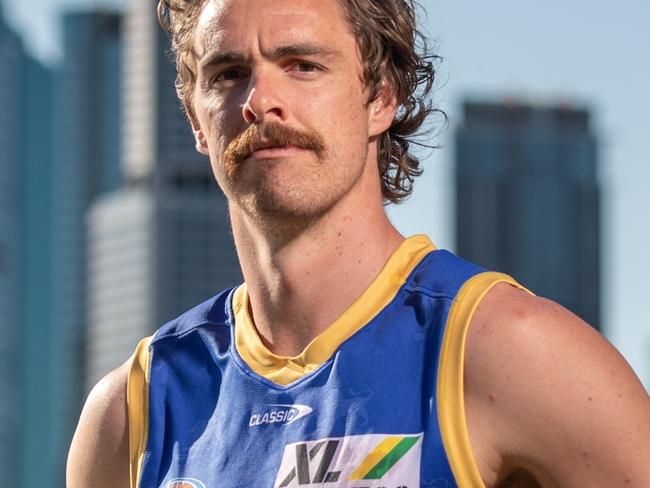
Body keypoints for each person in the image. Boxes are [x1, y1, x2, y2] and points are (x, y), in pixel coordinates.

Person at [67, 0, 650, 487]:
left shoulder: (513, 353)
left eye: (302, 65)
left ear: (382, 98)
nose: (259, 100)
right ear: (196, 120)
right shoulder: (131, 411)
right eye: (227, 73)